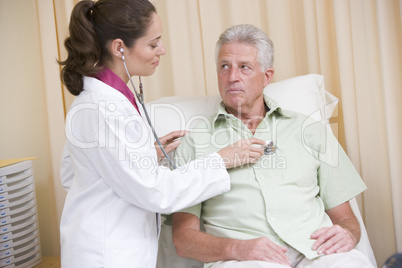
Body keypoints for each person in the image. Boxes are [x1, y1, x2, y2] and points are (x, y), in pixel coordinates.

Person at [58, 2, 266, 267]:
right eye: (153, 43)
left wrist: (144, 155)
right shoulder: (103, 109)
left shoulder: (104, 101)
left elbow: (73, 173)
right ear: (120, 47)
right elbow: (157, 193)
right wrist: (221, 159)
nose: (162, 50)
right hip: (107, 254)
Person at [171, 24, 374, 268]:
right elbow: (183, 240)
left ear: (266, 76)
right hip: (245, 259)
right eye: (225, 66)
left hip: (318, 252)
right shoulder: (195, 142)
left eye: (244, 67)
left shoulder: (309, 130)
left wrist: (348, 233)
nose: (232, 76)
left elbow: (346, 219)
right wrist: (237, 248)